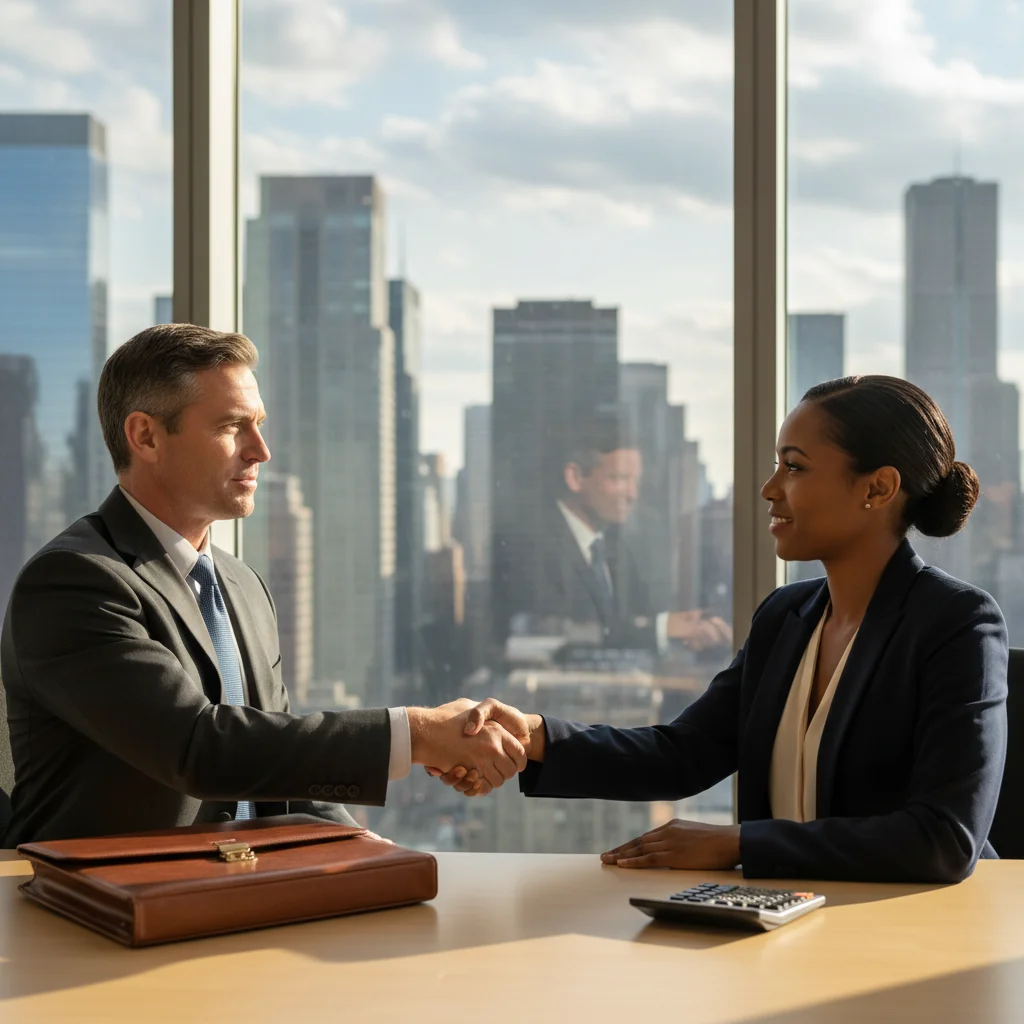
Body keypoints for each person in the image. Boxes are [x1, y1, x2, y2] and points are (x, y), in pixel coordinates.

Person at [436, 376, 1009, 884]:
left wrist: (736, 845)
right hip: (788, 926)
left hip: (915, 944)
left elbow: (943, 839)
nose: (770, 488)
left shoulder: (957, 625)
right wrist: (533, 733)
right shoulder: (786, 617)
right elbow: (682, 754)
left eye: (795, 466)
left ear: (877, 489)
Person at [0, 324, 527, 846]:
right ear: (145, 436)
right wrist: (414, 734)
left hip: (239, 893)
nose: (260, 451)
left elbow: (280, 762)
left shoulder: (242, 584)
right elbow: (199, 747)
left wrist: (370, 854)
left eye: (259, 424)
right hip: (92, 911)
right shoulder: (74, 582)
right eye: (233, 426)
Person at [530, 417, 731, 654]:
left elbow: (636, 617)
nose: (633, 494)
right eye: (620, 479)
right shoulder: (533, 548)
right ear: (575, 477)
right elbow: (555, 632)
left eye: (636, 481)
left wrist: (690, 624)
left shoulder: (615, 545)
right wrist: (661, 628)